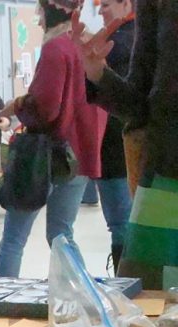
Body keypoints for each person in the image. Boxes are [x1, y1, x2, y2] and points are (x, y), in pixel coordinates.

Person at [0, 0, 107, 277]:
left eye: (40, 12)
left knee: (13, 239)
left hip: (43, 158)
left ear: (51, 11)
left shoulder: (56, 48)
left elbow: (46, 106)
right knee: (62, 234)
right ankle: (85, 296)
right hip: (79, 156)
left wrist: (17, 105)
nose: (38, 19)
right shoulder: (87, 45)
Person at [74, 0, 175, 291]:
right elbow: (139, 104)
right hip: (166, 179)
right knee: (148, 305)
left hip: (164, 180)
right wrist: (97, 73)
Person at [90, 0, 135, 275]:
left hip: (115, 150)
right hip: (119, 149)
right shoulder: (132, 39)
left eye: (106, 4)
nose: (101, 10)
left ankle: (125, 283)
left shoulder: (120, 42)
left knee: (121, 226)